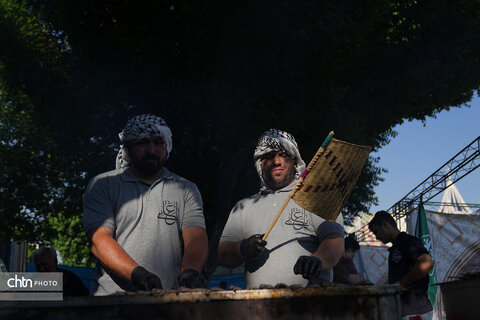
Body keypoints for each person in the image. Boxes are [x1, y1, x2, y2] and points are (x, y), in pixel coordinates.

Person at [83, 114, 208, 295]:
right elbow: (99, 240)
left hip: (168, 300)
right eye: (142, 143)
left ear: (167, 146)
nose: (151, 149)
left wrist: (190, 272)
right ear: (128, 148)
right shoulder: (103, 185)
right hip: (112, 300)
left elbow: (196, 236)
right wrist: (138, 275)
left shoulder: (186, 189)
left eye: (158, 142)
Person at [218, 129, 344, 288]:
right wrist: (242, 248)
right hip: (258, 307)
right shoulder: (243, 207)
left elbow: (335, 240)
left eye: (284, 155)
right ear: (260, 164)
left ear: (295, 162)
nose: (277, 161)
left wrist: (319, 259)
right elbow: (223, 255)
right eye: (269, 156)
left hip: (311, 304)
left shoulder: (317, 198)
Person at [369, 210, 433, 320]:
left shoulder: (407, 241)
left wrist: (401, 284)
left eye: (376, 232)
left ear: (385, 224)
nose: (377, 237)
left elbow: (426, 263)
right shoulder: (395, 247)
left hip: (415, 310)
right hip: (404, 310)